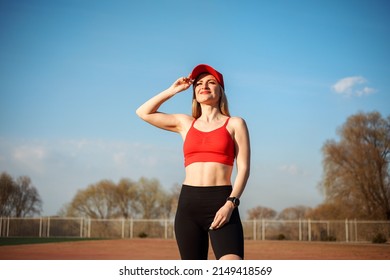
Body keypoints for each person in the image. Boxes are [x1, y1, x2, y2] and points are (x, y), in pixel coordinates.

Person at [136, 64, 250, 260]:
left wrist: (231, 203)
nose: (204, 86)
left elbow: (244, 168)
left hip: (222, 201)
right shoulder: (186, 124)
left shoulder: (235, 123)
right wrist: (173, 90)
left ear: (221, 91)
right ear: (194, 93)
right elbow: (143, 112)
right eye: (199, 83)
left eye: (211, 82)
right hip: (189, 205)